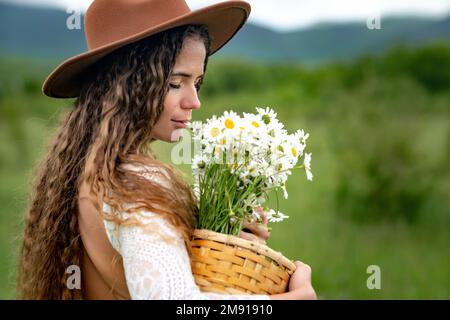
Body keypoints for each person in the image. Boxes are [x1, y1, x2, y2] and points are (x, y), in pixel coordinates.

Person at [17, 0, 317, 300]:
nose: (194, 101)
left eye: (196, 83)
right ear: (125, 84)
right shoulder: (136, 183)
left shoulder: (91, 168)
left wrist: (218, 239)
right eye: (176, 83)